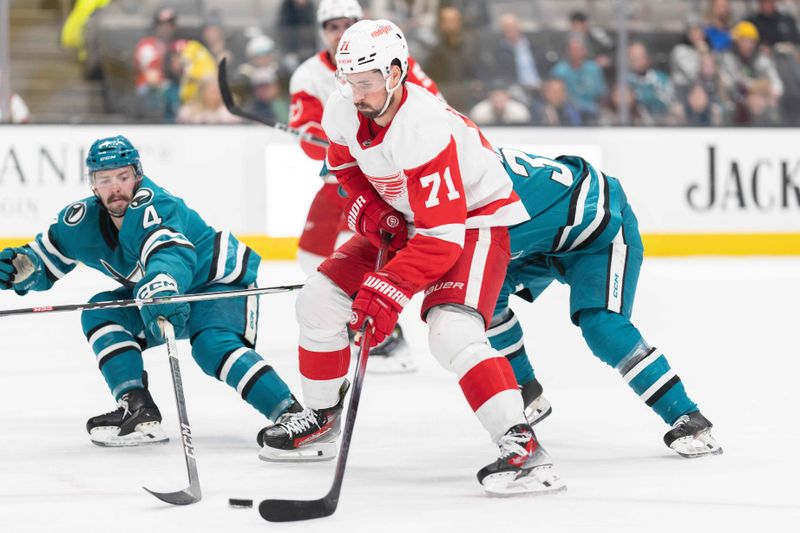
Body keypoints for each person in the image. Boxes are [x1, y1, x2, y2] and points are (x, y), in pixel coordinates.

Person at [258, 19, 566, 496]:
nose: (354, 93)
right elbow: (343, 168)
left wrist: (385, 292)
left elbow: (442, 239)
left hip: (472, 224)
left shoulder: (423, 126)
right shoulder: (344, 108)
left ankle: (522, 446)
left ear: (396, 72)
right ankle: (321, 418)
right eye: (348, 81)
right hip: (408, 217)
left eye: (365, 82)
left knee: (451, 330)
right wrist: (371, 209)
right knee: (318, 300)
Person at [0, 136, 299, 448]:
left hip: (217, 283)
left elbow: (170, 251)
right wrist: (22, 268)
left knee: (212, 346)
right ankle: (137, 407)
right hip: (159, 297)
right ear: (92, 185)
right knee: (101, 312)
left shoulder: (156, 205)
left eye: (123, 177)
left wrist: (161, 283)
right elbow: (44, 260)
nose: (115, 187)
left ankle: (293, 416)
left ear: (138, 176)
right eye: (105, 179)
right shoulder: (79, 222)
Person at [485, 147, 723, 458]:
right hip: (549, 236)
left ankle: (688, 416)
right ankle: (526, 390)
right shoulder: (466, 167)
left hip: (601, 231)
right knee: (485, 299)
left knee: (602, 326)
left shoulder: (479, 193)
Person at [289, 0, 441, 373]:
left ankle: (384, 335)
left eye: (347, 23)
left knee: (377, 251)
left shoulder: (392, 59)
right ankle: (352, 320)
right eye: (332, 26)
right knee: (310, 258)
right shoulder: (308, 75)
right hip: (342, 180)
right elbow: (310, 141)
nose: (339, 32)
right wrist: (327, 138)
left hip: (391, 179)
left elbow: (433, 106)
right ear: (322, 31)